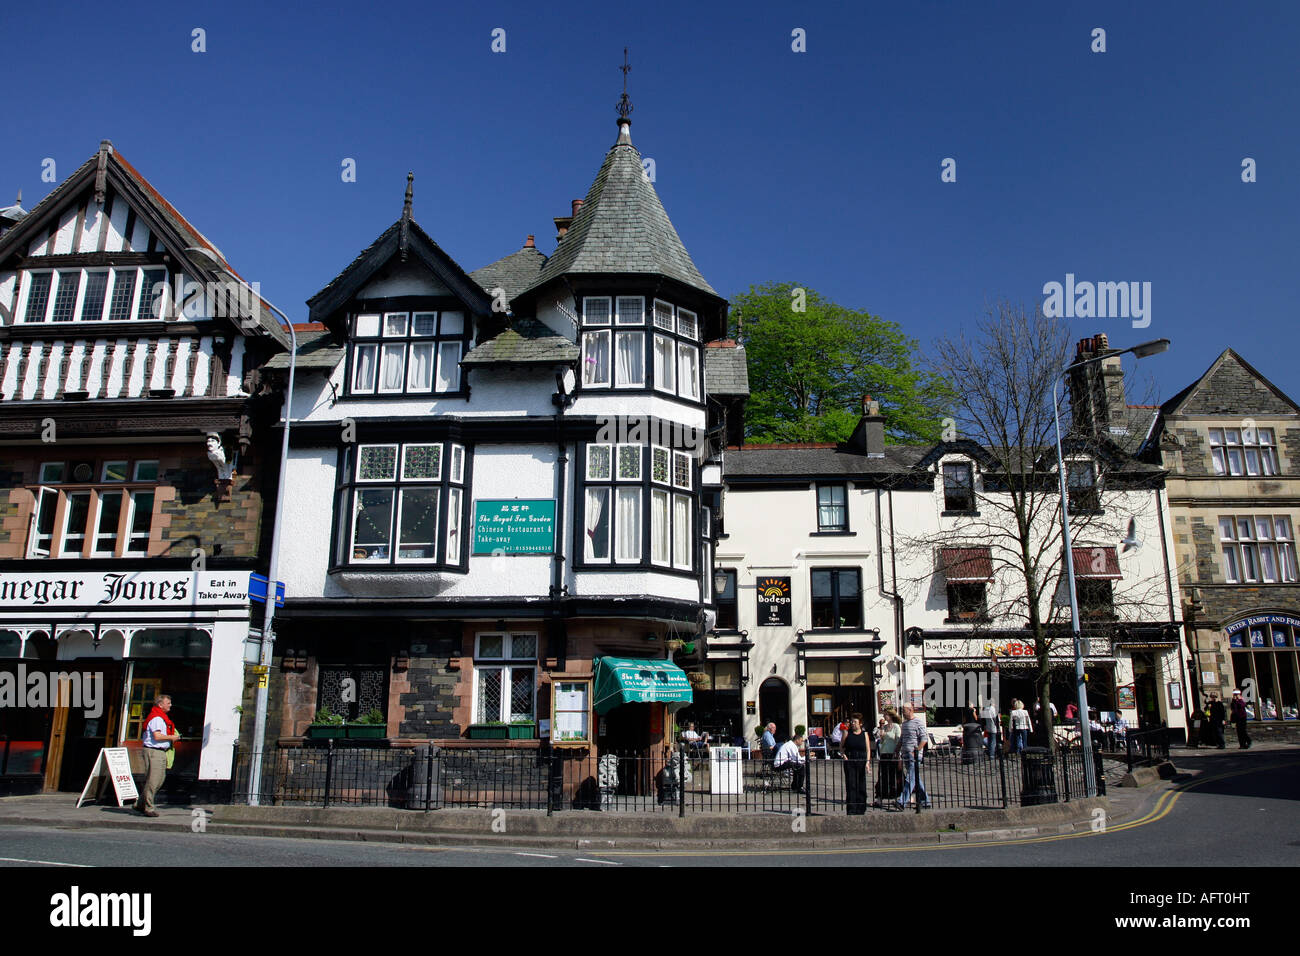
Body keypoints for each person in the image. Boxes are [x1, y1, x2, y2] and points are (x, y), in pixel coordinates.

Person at [134, 694, 181, 817]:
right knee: (154, 780)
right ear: (160, 705)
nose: (170, 705)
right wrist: (172, 737)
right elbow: (157, 736)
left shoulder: (161, 717)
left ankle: (140, 803)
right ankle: (148, 808)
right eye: (168, 703)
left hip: (160, 752)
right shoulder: (157, 718)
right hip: (154, 751)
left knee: (159, 779)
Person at [892, 704, 930, 811]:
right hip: (906, 754)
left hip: (915, 755)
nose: (902, 713)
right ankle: (925, 800)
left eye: (904, 710)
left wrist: (917, 750)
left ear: (910, 710)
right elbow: (902, 738)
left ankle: (902, 801)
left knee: (910, 778)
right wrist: (897, 749)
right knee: (915, 778)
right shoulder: (904, 724)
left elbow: (924, 739)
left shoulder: (918, 722)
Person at [840, 713, 872, 815]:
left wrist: (867, 762)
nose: (853, 724)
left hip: (861, 759)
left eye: (855, 722)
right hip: (850, 759)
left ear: (860, 724)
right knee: (851, 784)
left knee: (861, 784)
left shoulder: (864, 734)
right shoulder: (847, 733)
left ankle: (861, 807)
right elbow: (841, 747)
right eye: (852, 722)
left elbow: (868, 749)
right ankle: (852, 808)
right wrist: (843, 755)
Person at [875, 708, 902, 803]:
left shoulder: (896, 727)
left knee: (894, 776)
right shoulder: (885, 727)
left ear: (890, 716)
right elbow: (882, 741)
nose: (884, 716)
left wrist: (897, 752)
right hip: (884, 753)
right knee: (883, 776)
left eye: (885, 715)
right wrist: (881, 736)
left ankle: (897, 796)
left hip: (892, 754)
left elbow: (898, 740)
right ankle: (880, 797)